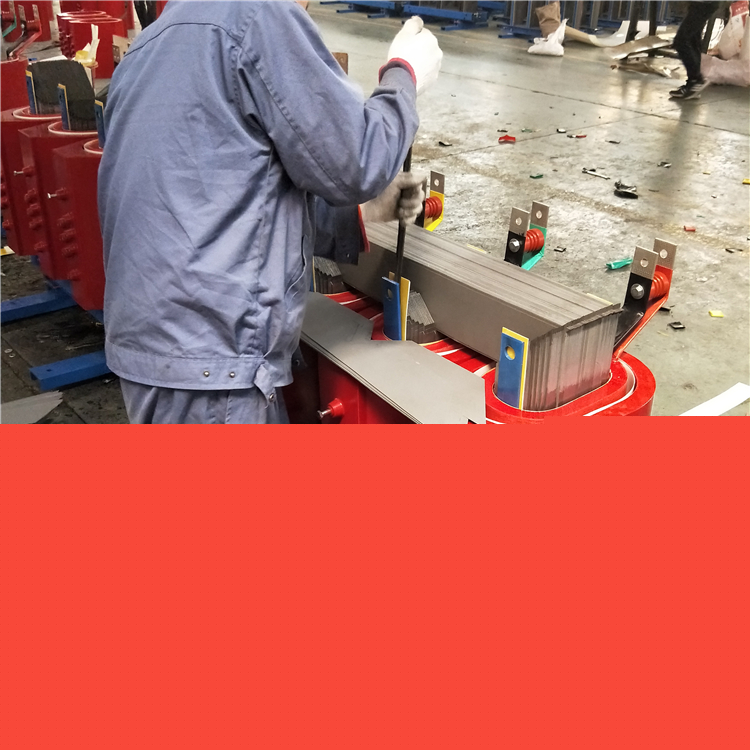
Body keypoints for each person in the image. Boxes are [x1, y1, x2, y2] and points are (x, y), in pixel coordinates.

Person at [98, 1, 443, 424]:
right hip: (216, 366)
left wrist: (361, 212)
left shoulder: (148, 45)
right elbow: (359, 162)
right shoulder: (256, 16)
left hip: (158, 355)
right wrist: (404, 74)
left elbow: (217, 192)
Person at [670, 1, 720, 99]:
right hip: (702, 4)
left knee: (681, 41)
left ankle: (695, 80)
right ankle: (694, 84)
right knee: (692, 40)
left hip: (703, 4)